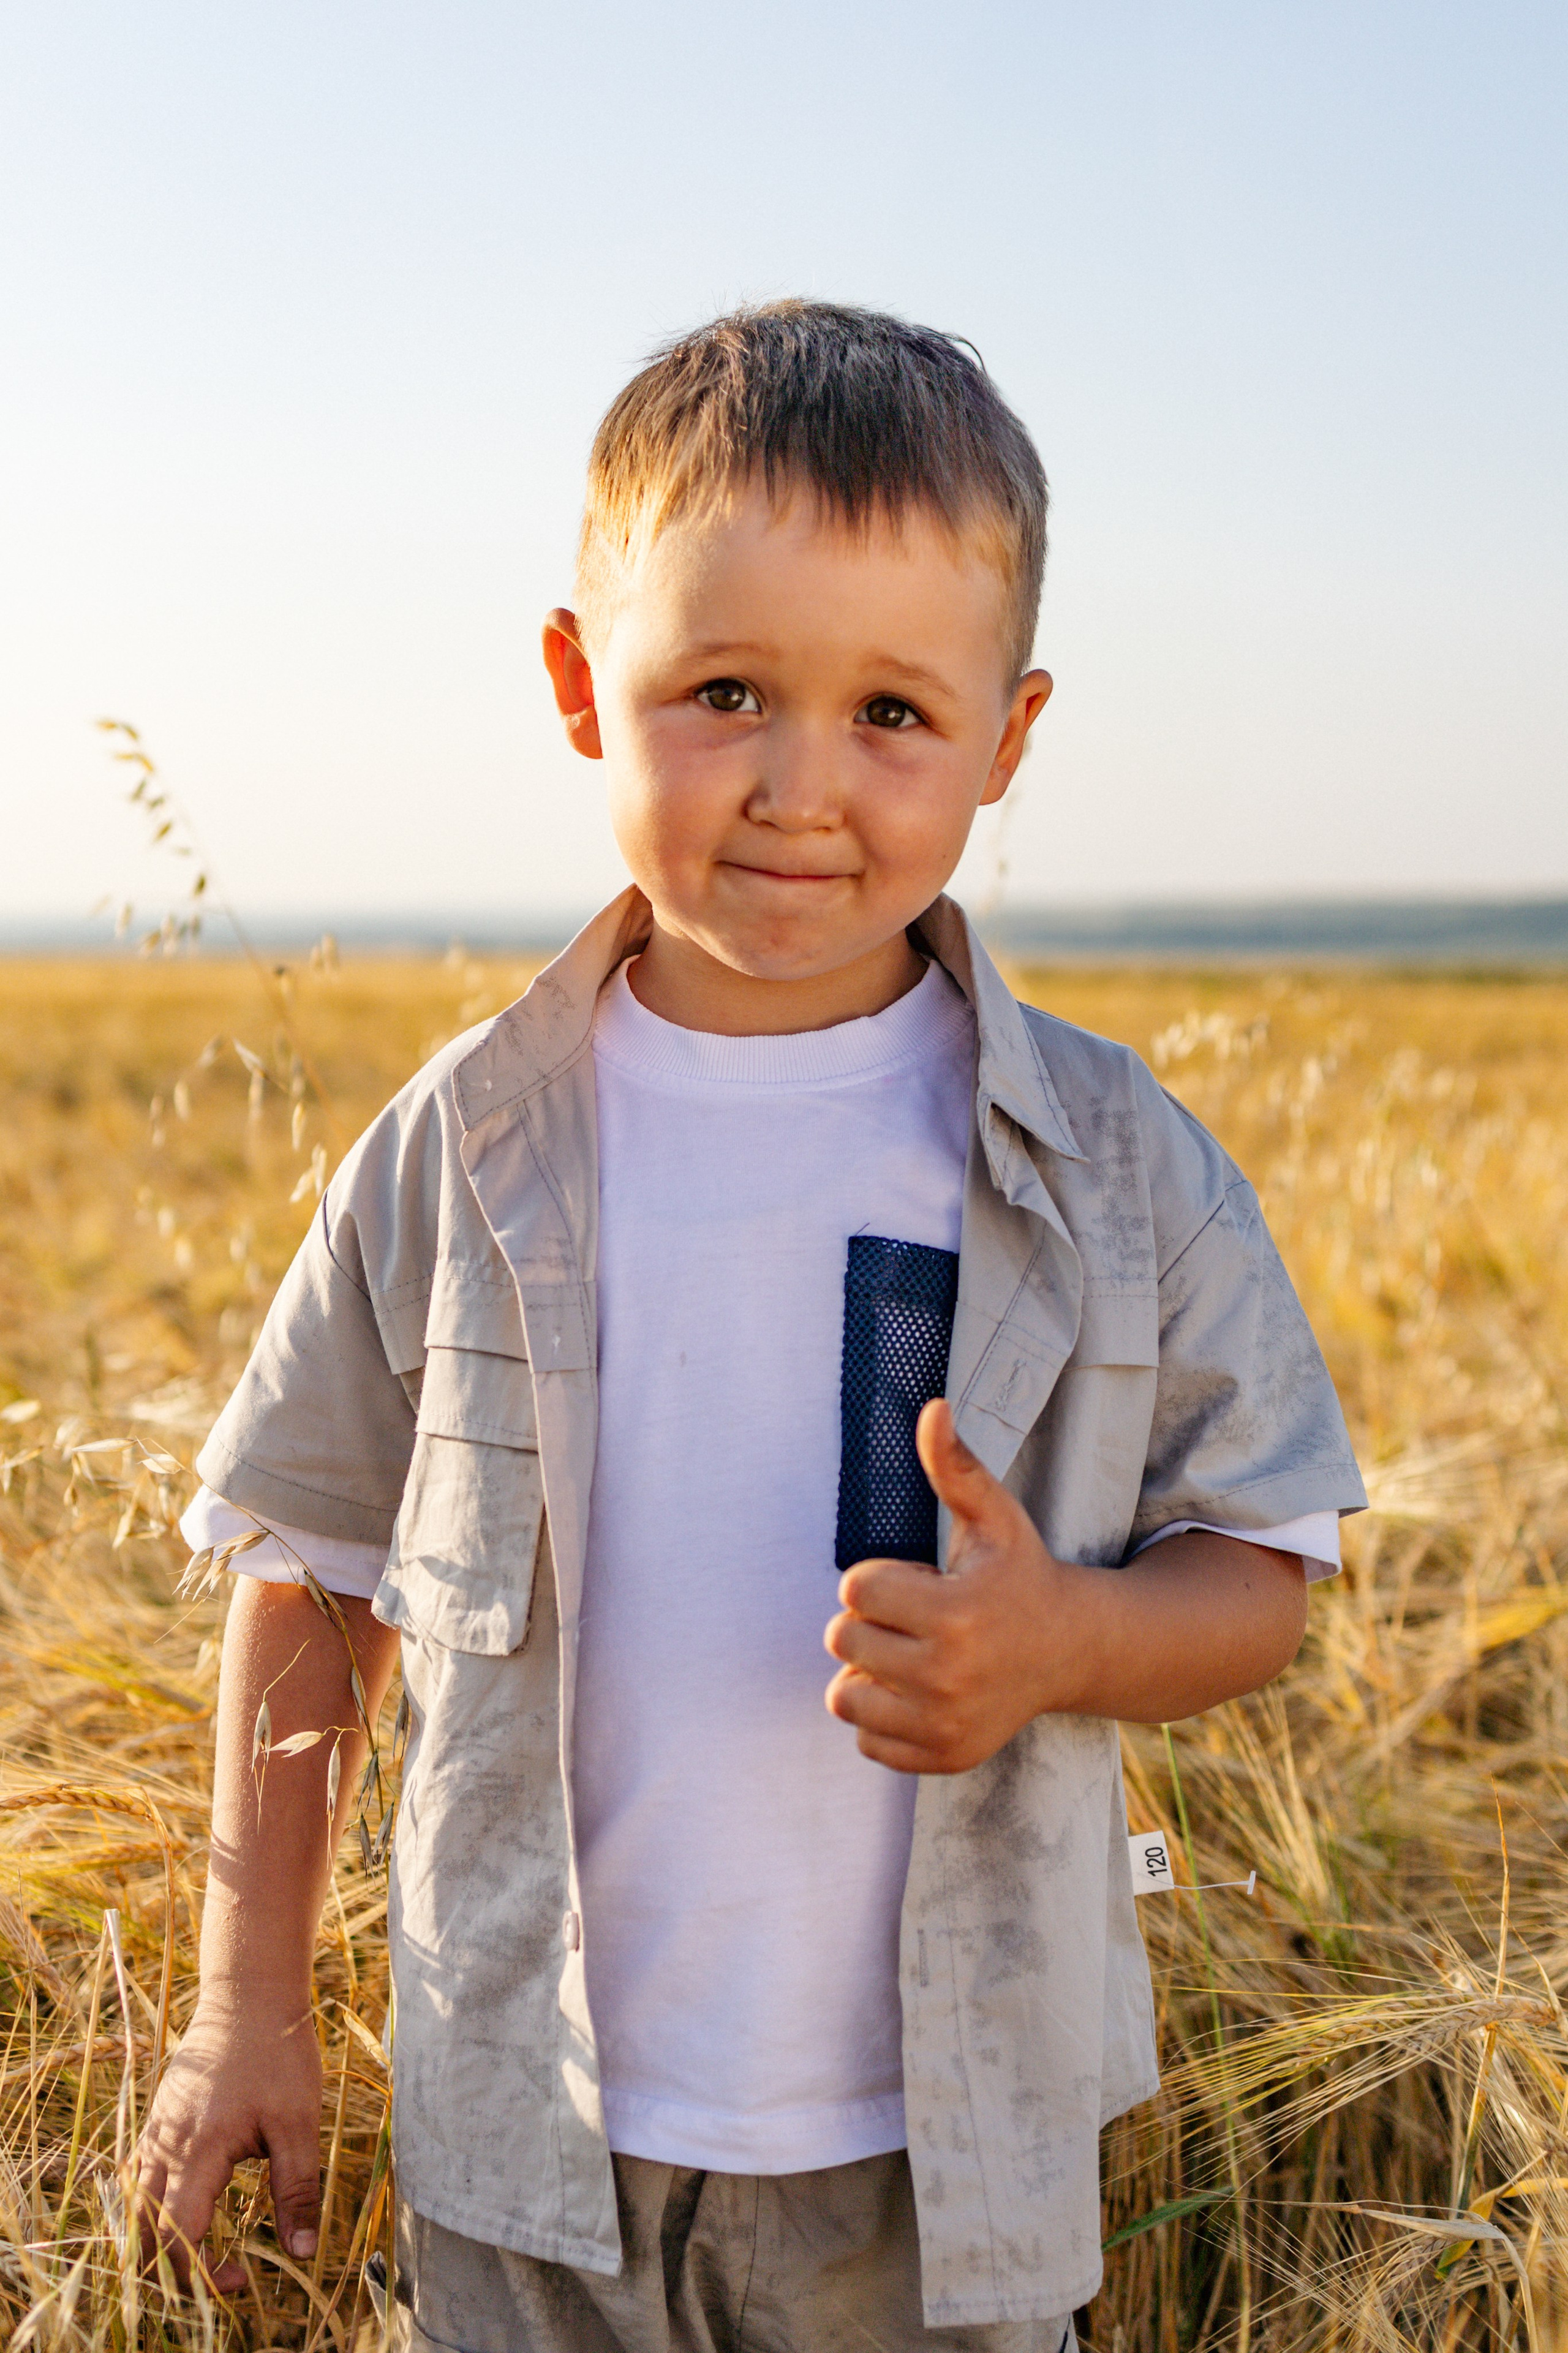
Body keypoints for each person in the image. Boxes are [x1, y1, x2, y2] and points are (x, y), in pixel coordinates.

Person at [137, 301, 1365, 2351]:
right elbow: (302, 1571)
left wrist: (1065, 1636)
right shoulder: (463, 1147)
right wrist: (241, 2006)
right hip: (525, 2136)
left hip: (943, 2154)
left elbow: (1265, 1567)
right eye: (723, 689)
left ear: (1011, 735)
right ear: (575, 686)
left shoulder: (1119, 1168)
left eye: (895, 711)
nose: (805, 786)